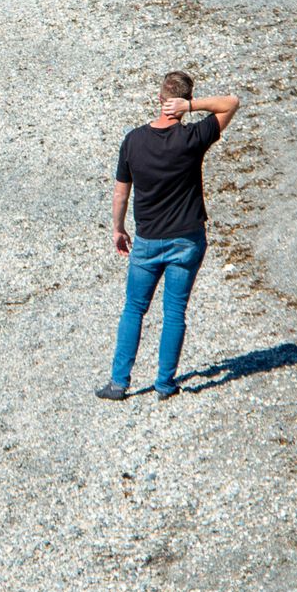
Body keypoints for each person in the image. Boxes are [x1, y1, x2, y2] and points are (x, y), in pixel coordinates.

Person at [97, 71, 240, 402]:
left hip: (147, 241)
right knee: (175, 311)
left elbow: (121, 194)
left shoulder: (133, 141)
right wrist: (192, 106)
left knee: (134, 309)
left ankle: (119, 383)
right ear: (182, 101)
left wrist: (118, 229)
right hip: (187, 240)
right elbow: (231, 103)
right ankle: (164, 384)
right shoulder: (193, 139)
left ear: (159, 99)